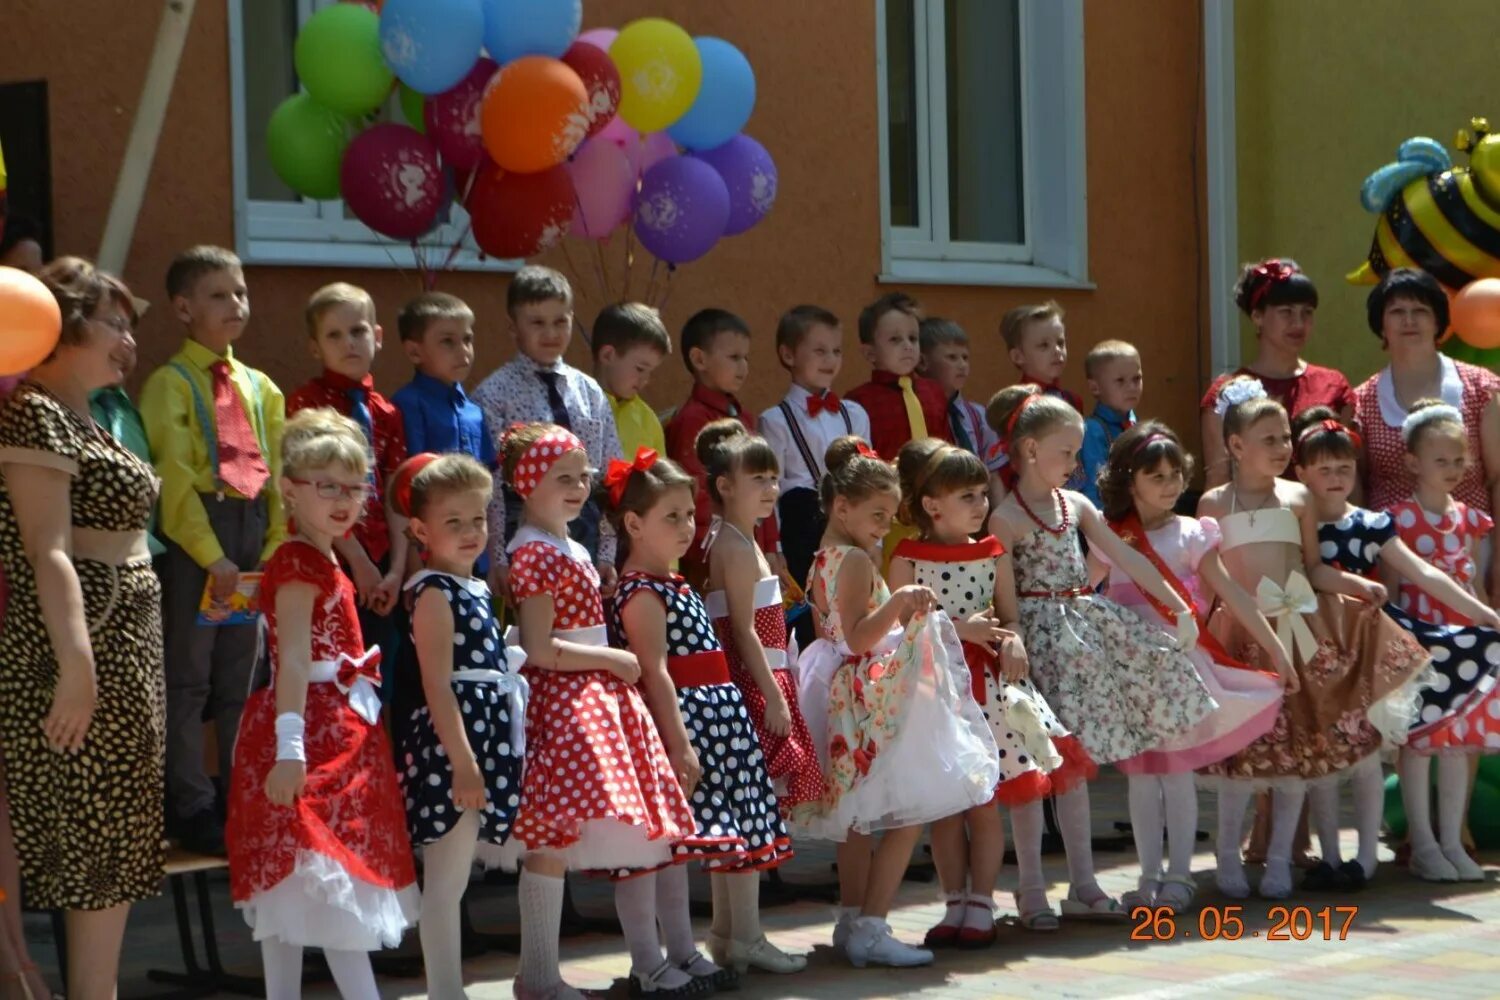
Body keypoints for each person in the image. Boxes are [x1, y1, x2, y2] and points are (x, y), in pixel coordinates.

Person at [987, 386, 1219, 919]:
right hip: (1037, 648)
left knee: (1074, 765)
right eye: (1065, 452)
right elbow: (1004, 599)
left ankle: (1084, 884)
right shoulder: (1007, 518)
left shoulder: (1078, 506)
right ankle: (1030, 889)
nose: (1075, 462)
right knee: (1033, 769)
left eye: (1075, 452)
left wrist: (1178, 606)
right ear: (1027, 451)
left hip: (1083, 637)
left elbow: (1125, 558)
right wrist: (1013, 639)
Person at [1197, 378, 1429, 900]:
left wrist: (1354, 583)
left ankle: (1279, 859)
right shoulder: (1213, 505)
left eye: (1285, 438)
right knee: (1242, 751)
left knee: (1300, 745)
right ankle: (1227, 857)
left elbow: (1312, 567)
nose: (1282, 448)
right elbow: (1209, 577)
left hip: (1300, 628)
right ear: (1236, 446)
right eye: (1270, 439)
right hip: (1240, 632)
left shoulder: (1298, 496)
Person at [0, 258, 162, 1000]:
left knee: (117, 841)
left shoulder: (90, 415)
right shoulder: (33, 411)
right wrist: (78, 664)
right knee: (93, 843)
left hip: (125, 642)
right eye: (115, 323)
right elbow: (48, 550)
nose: (130, 339)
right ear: (62, 328)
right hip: (83, 644)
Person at [225, 408, 417, 1000]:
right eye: (326, 486)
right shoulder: (298, 563)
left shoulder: (327, 555)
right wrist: (290, 748)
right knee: (316, 885)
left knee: (307, 888)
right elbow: (294, 662)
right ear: (289, 489)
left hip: (343, 729)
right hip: (307, 735)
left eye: (354, 487)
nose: (344, 499)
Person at [500, 423, 694, 1000]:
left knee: (563, 837)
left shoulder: (569, 544)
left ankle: (543, 974)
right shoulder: (533, 551)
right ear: (527, 482)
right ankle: (537, 975)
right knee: (550, 838)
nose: (579, 486)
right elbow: (539, 648)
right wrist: (612, 658)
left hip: (592, 697)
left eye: (583, 476)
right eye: (563, 477)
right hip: (564, 704)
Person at [794, 437, 998, 968]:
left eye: (891, 515)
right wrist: (901, 604)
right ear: (843, 507)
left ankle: (853, 918)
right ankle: (873, 924)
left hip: (848, 693)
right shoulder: (857, 559)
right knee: (910, 807)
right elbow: (856, 639)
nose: (886, 527)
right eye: (878, 515)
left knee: (858, 817)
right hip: (869, 693)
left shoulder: (824, 555)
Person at [609, 450, 798, 992]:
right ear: (634, 524)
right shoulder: (642, 591)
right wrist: (681, 744)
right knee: (670, 849)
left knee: (688, 851)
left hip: (718, 719)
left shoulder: (674, 583)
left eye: (689, 515)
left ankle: (686, 951)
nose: (686, 526)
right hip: (688, 726)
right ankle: (656, 961)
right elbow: (657, 674)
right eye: (672, 517)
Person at [889, 440, 1092, 942]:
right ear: (932, 505)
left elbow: (1009, 614)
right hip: (934, 691)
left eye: (983, 494)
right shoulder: (907, 557)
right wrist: (960, 629)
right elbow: (898, 630)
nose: (981, 505)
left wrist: (1014, 641)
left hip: (986, 691)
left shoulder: (993, 552)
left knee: (982, 801)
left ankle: (982, 901)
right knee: (944, 806)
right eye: (967, 496)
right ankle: (952, 901)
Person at [1298, 408, 1500, 885]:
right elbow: (1302, 572)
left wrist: (1483, 614)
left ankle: (1423, 847)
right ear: (1302, 473)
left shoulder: (1371, 523)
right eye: (1324, 469)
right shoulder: (1295, 519)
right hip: (1319, 647)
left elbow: (1423, 573)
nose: (1336, 477)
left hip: (1373, 645)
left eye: (1344, 468)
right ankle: (1340, 855)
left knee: (1407, 743)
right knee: (1329, 750)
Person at [1092, 422, 1289, 912]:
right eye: (1155, 475)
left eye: (1175, 473)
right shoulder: (1110, 537)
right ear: (1128, 479)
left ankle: (1179, 877)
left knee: (1175, 771)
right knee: (1141, 773)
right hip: (1129, 672)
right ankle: (1146, 876)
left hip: (1180, 667)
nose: (1170, 484)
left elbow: (1233, 594)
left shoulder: (1191, 534)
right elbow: (1076, 592)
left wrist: (1276, 649)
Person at [140, 245, 285, 856]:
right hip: (204, 540)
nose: (236, 305)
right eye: (220, 294)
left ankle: (237, 796)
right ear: (182, 307)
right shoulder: (169, 385)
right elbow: (172, 479)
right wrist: (209, 554)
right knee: (189, 679)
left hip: (252, 535)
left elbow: (276, 471)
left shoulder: (260, 386)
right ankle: (191, 802)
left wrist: (274, 547)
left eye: (241, 293)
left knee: (241, 679)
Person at [391, 452, 528, 999]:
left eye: (478, 519)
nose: (472, 532)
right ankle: (445, 991)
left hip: (486, 739)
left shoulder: (473, 588)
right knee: (445, 883)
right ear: (421, 529)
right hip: (456, 750)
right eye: (455, 522)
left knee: (460, 878)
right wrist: (465, 764)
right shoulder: (432, 593)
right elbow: (437, 685)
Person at [698, 421, 822, 973]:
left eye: (774, 477)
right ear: (725, 485)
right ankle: (742, 935)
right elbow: (744, 630)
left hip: (756, 680)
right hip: (754, 684)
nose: (771, 489)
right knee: (753, 811)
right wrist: (772, 695)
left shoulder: (735, 539)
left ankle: (729, 935)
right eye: (758, 478)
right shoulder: (733, 543)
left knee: (746, 812)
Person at [474, 266, 622, 588]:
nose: (551, 333)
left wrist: (609, 552)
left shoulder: (589, 391)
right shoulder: (494, 394)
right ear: (514, 328)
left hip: (584, 528)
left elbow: (611, 473)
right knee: (533, 626)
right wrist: (497, 555)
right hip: (522, 527)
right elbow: (493, 482)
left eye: (560, 321)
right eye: (537, 323)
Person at [287, 283, 407, 660]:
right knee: (333, 663)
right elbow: (309, 493)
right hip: (327, 553)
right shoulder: (306, 405)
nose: (349, 343)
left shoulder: (386, 412)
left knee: (377, 668)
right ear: (315, 347)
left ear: (378, 335)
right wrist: (358, 561)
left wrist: (396, 569)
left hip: (381, 561)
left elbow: (394, 494)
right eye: (334, 335)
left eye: (358, 331)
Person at [1200, 259, 1353, 488]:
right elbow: (1218, 478)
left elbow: (1351, 471)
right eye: (1286, 312)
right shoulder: (1228, 393)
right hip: (1255, 518)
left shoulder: (1333, 384)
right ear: (1257, 316)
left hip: (1324, 517)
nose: (1298, 323)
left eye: (1307, 313)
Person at [757, 305, 869, 603]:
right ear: (788, 355)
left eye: (836, 351)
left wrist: (875, 537)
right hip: (801, 531)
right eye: (819, 351)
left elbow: (870, 478)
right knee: (812, 609)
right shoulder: (775, 420)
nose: (830, 360)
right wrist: (775, 547)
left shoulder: (854, 415)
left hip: (851, 526)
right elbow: (771, 490)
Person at [665, 308, 780, 585]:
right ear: (699, 359)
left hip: (750, 542)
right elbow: (697, 494)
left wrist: (772, 544)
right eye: (734, 357)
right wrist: (713, 549)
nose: (744, 366)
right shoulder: (692, 419)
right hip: (717, 552)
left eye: (746, 357)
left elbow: (763, 480)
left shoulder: (743, 416)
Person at [391, 291, 497, 578]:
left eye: (467, 339)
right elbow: (410, 488)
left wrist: (495, 556)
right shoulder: (408, 403)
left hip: (474, 548)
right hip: (432, 552)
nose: (463, 351)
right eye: (447, 341)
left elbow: (489, 484)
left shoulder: (475, 411)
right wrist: (415, 564)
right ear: (415, 352)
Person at [844, 293, 951, 461]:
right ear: (870, 353)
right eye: (895, 339)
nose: (908, 346)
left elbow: (947, 445)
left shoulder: (934, 391)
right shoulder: (858, 402)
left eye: (913, 338)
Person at [918, 317, 1002, 468]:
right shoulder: (917, 413)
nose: (962, 365)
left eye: (965, 357)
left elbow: (994, 471)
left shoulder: (979, 416)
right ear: (923, 362)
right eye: (952, 357)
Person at [591, 301, 671, 458]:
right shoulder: (578, 406)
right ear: (608, 355)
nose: (645, 379)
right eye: (640, 369)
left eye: (650, 372)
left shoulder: (648, 420)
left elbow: (659, 476)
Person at [1078, 340, 1142, 507]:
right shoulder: (1092, 430)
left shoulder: (1138, 426)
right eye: (1120, 381)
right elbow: (1095, 486)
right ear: (1095, 388)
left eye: (1137, 378)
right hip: (1108, 518)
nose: (1131, 387)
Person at [1000, 302, 1083, 412]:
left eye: (1060, 342)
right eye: (1044, 345)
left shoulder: (1072, 400)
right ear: (1017, 357)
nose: (1057, 350)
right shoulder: (1017, 404)